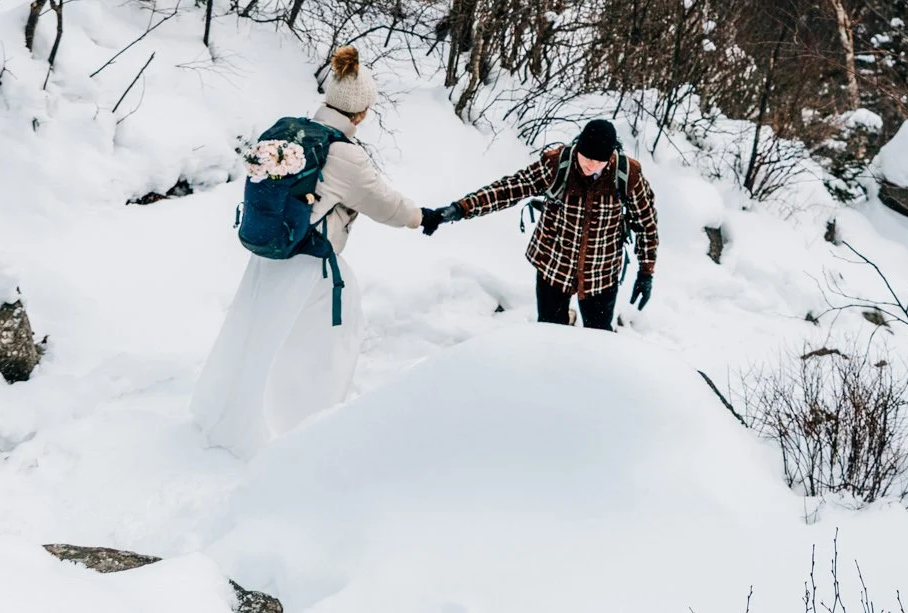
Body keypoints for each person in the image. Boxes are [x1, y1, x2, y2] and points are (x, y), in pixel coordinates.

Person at [191, 45, 421, 456]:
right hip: (310, 266)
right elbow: (385, 204)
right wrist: (422, 217)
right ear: (362, 111)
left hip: (268, 258)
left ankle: (229, 414)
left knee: (257, 337)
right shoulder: (346, 154)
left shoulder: (290, 132)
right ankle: (296, 428)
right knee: (317, 346)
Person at [422, 118, 658, 330]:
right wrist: (461, 208)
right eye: (586, 157)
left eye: (599, 161)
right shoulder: (557, 165)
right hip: (554, 264)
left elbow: (646, 222)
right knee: (549, 333)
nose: (590, 165)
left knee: (598, 337)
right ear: (578, 148)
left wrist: (646, 272)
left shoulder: (628, 175)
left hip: (601, 270)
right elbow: (510, 188)